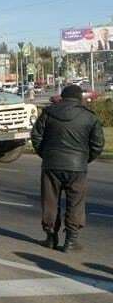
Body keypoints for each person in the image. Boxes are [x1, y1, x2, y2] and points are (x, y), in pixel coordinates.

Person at [31, 84, 105, 252]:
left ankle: (50, 238)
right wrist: (84, 159)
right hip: (77, 167)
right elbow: (98, 144)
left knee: (50, 201)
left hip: (51, 164)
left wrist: (45, 153)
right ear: (80, 98)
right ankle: (71, 241)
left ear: (62, 97)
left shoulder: (49, 113)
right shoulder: (89, 117)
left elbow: (36, 135)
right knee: (75, 203)